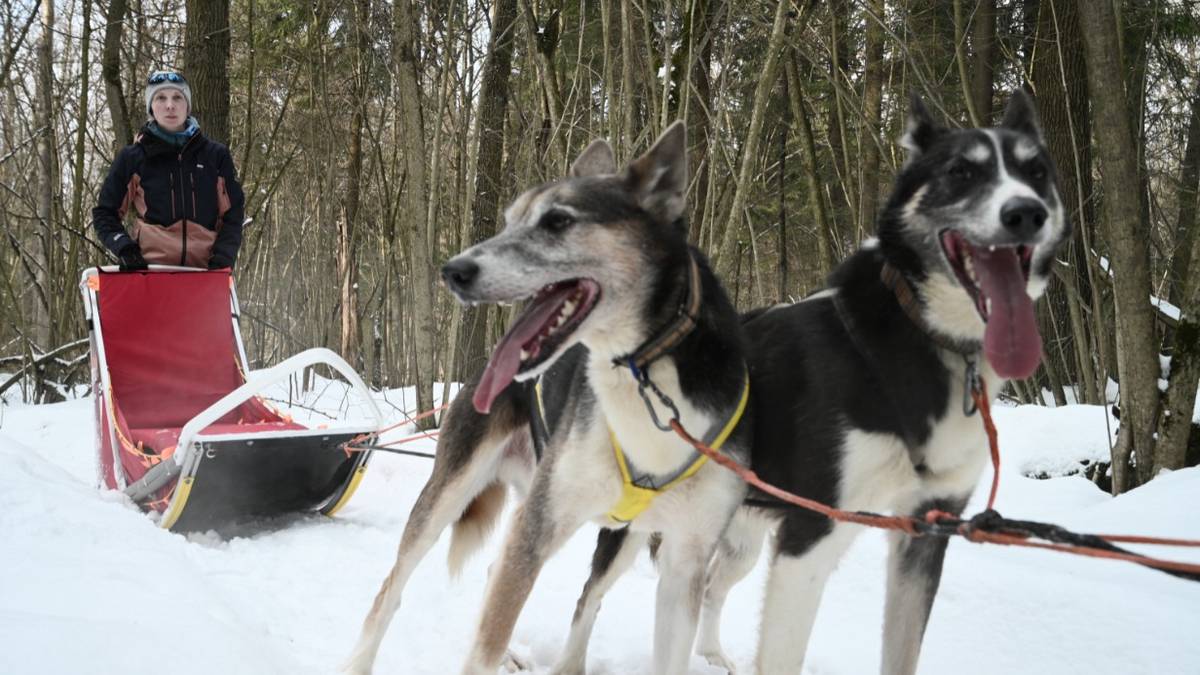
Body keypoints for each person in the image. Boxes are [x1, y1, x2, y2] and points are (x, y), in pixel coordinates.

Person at [92, 70, 245, 271]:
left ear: (187, 106)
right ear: (151, 107)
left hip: (206, 274)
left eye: (177, 97)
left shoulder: (215, 156)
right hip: (151, 273)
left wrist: (223, 257)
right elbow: (105, 212)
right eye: (161, 98)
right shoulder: (133, 157)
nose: (170, 105)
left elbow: (233, 214)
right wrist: (125, 248)